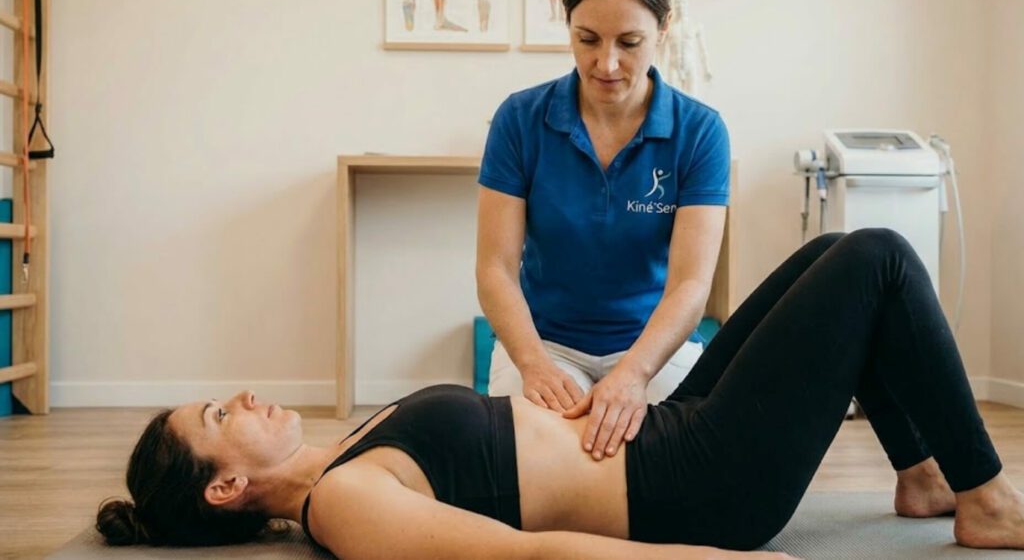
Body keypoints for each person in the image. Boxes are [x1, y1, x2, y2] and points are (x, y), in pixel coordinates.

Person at [97, 229, 1024, 558]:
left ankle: (924, 478)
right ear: (224, 486)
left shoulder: (348, 449)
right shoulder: (341, 504)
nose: (245, 397)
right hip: (703, 483)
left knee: (832, 260)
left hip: (671, 428)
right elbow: (523, 559)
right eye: (222, 416)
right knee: (879, 261)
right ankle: (984, 500)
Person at [477, 0, 728, 461]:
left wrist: (633, 374)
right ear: (567, 22)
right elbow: (495, 268)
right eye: (587, 39)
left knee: (679, 466)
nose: (606, 64)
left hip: (654, 349)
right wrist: (534, 365)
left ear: (664, 26)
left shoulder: (700, 132)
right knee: (534, 466)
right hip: (545, 345)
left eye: (629, 43)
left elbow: (690, 286)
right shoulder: (520, 119)